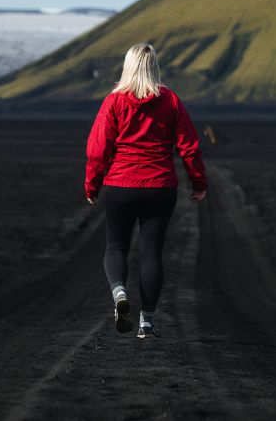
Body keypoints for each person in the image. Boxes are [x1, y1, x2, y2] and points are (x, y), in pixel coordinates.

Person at [84, 42, 208, 339]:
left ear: (127, 66)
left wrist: (92, 183)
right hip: (160, 186)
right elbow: (189, 146)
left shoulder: (113, 102)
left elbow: (98, 149)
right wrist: (199, 182)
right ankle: (147, 323)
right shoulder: (171, 101)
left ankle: (119, 294)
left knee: (116, 246)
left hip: (119, 185)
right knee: (151, 253)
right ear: (154, 67)